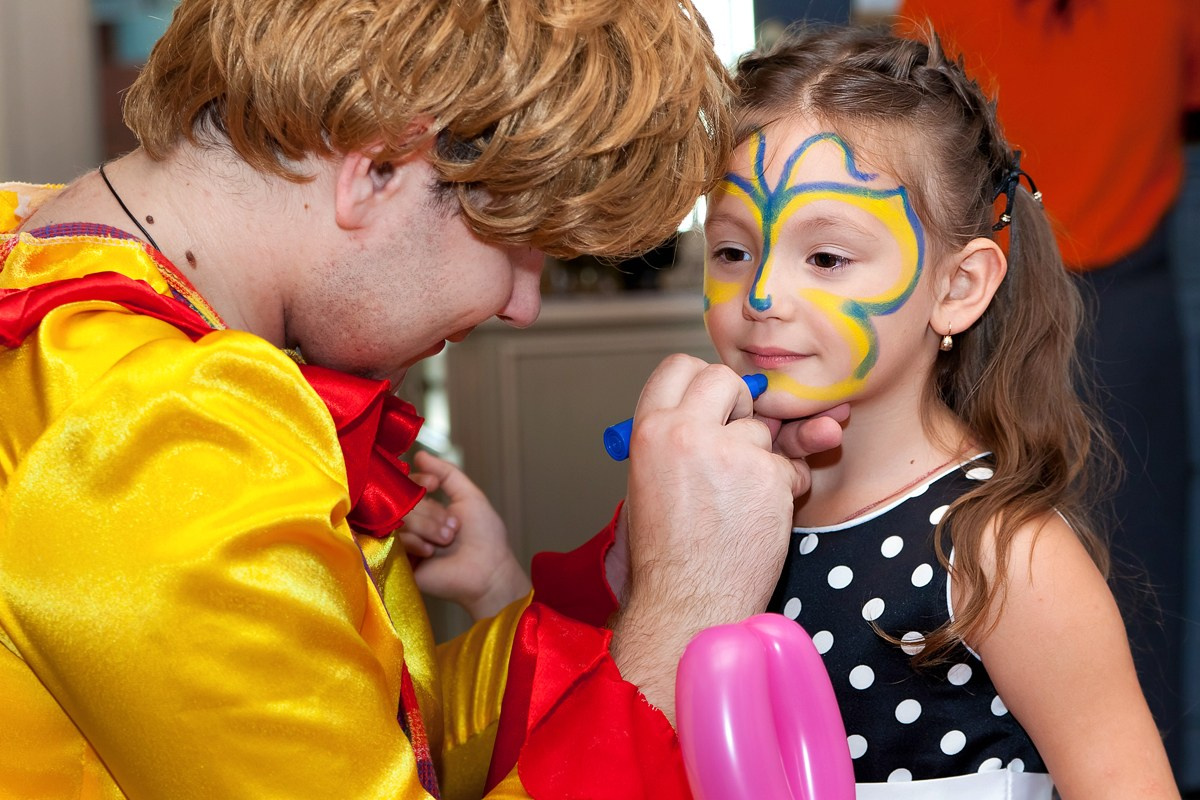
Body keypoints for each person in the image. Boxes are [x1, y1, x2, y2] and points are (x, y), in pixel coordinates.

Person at [0, 1, 852, 797]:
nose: (523, 307)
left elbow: (369, 736)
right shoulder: (154, 439)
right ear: (376, 168)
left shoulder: (48, 260)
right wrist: (685, 618)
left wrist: (638, 573)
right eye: (524, 246)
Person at [413, 25, 1181, 799]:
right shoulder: (708, 501)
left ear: (957, 288)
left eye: (826, 258)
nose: (762, 297)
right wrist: (497, 586)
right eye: (733, 252)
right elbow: (600, 722)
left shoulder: (999, 552)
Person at [893, 0, 1197, 774]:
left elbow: (913, 125)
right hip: (1031, 281)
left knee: (960, 539)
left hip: (1013, 285)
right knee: (1123, 562)